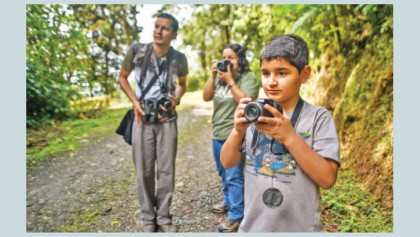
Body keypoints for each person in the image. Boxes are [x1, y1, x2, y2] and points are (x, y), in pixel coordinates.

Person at [220, 34, 340, 232]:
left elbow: (327, 179)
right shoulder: (254, 113)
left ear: (304, 74)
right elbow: (227, 162)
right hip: (252, 228)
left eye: (282, 73)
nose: (271, 82)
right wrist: (237, 131)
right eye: (266, 73)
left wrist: (290, 137)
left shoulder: (318, 118)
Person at [118, 13, 188, 233]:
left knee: (167, 171)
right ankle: (149, 218)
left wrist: (176, 98)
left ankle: (164, 217)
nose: (159, 31)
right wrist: (135, 102)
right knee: (144, 171)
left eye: (165, 28)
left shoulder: (179, 58)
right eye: (157, 26)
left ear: (173, 34)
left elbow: (183, 84)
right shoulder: (137, 51)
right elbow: (122, 77)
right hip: (141, 118)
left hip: (167, 119)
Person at [203, 43, 259, 232]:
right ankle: (228, 201)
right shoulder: (219, 78)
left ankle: (236, 215)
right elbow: (206, 96)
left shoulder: (248, 78)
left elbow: (248, 102)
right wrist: (213, 76)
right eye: (224, 57)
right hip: (217, 132)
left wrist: (230, 81)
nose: (226, 61)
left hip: (236, 134)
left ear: (240, 60)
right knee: (223, 171)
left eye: (231, 58)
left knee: (234, 175)